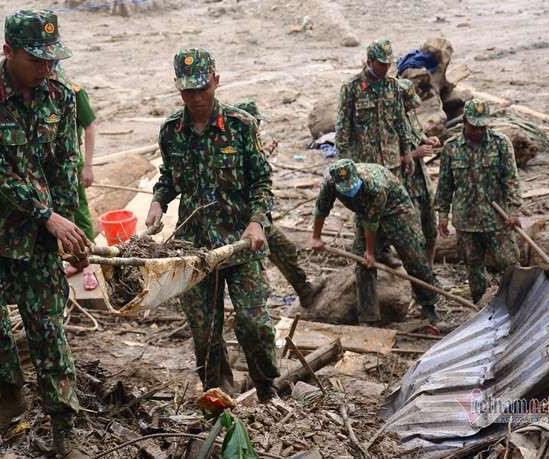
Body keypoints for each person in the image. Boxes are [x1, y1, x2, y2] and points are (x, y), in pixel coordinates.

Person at [0, 9, 90, 458]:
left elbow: (66, 166)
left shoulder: (61, 96)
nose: (46, 67)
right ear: (8, 51)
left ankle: (63, 424)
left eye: (52, 58)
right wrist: (46, 214)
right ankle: (9, 391)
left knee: (48, 329)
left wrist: (76, 234)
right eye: (36, 59)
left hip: (38, 238)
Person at [146, 49, 279, 401]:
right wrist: (159, 201)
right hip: (195, 249)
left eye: (202, 88)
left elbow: (263, 182)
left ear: (216, 82)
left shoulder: (240, 126)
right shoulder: (171, 131)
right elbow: (169, 178)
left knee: (254, 323)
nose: (197, 97)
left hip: (240, 244)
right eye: (188, 91)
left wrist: (256, 223)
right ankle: (219, 391)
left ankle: (268, 389)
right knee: (204, 331)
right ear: (178, 90)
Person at [311, 159, 440, 323]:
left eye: (352, 186)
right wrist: (316, 237)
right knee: (363, 264)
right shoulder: (330, 183)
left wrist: (370, 252)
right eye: (345, 189)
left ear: (356, 177)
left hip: (396, 209)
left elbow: (372, 223)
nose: (349, 191)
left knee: (413, 255)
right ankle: (369, 317)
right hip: (364, 212)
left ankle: (429, 306)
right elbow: (321, 209)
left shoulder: (375, 185)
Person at [335, 39, 416, 269]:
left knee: (389, 208)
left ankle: (383, 251)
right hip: (364, 165)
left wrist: (407, 152)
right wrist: (343, 162)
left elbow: (400, 121)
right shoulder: (351, 88)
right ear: (369, 61)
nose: (385, 68)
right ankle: (364, 253)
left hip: (391, 162)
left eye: (388, 64)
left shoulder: (392, 85)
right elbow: (343, 128)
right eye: (381, 64)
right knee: (365, 211)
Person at [435, 99, 522, 303]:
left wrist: (513, 210)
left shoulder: (500, 143)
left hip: (497, 218)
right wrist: (442, 215)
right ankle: (481, 307)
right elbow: (445, 185)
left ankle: (518, 304)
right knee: (473, 267)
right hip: (466, 221)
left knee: (509, 262)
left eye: (483, 127)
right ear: (464, 121)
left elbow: (511, 179)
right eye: (474, 127)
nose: (479, 131)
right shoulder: (451, 148)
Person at [233, 99, 316, 307]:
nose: (258, 127)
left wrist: (266, 151)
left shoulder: (250, 141)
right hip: (241, 221)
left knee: (284, 249)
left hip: (259, 217)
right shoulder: (231, 147)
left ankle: (305, 292)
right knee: (253, 270)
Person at [396, 79, 440, 265]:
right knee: (413, 236)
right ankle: (416, 275)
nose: (410, 106)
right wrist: (413, 154)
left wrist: (428, 141)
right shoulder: (386, 124)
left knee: (431, 230)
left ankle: (428, 271)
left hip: (422, 182)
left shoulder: (410, 116)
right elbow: (382, 161)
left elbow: (417, 135)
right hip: (404, 187)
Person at [63, 80, 98, 291]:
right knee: (61, 216)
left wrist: (88, 165)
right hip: (48, 167)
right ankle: (75, 261)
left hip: (70, 165)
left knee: (80, 213)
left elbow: (90, 126)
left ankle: (89, 264)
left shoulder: (74, 91)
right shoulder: (33, 90)